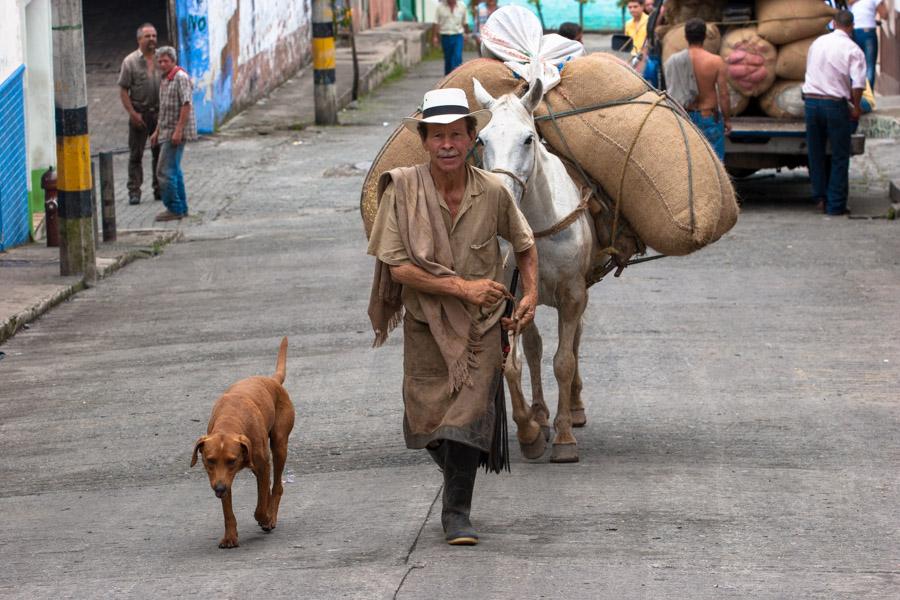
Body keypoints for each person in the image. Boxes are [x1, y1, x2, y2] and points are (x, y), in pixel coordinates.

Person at [367, 88, 538, 546]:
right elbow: (399, 268)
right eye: (437, 135)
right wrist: (462, 286)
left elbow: (524, 244)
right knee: (425, 422)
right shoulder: (402, 190)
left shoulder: (495, 191)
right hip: (426, 324)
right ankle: (460, 466)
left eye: (456, 135)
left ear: (471, 139)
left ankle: (456, 513)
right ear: (423, 140)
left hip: (483, 325)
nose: (447, 144)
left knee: (466, 415)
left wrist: (531, 295)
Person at [802, 9, 866, 216]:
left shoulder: (817, 43)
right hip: (834, 105)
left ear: (833, 23)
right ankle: (836, 204)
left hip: (811, 102)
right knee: (839, 155)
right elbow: (858, 85)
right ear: (851, 26)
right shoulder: (853, 49)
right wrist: (856, 108)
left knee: (816, 153)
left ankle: (820, 198)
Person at [665, 18, 731, 160]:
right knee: (715, 164)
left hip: (685, 118)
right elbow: (724, 95)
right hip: (709, 118)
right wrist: (727, 120)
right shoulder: (716, 61)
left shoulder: (674, 60)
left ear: (685, 37)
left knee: (689, 163)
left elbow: (670, 90)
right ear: (705, 36)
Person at [150, 46, 196, 222]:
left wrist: (178, 130)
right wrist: (157, 131)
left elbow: (186, 104)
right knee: (174, 170)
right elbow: (164, 110)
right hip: (166, 131)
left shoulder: (180, 78)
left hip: (175, 133)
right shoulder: (165, 79)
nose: (162, 64)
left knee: (164, 171)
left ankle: (174, 208)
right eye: (160, 61)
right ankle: (181, 207)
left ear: (173, 61)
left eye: (165, 61)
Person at [118, 23, 161, 206]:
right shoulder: (130, 62)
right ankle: (134, 191)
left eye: (153, 35)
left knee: (159, 153)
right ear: (139, 40)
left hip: (159, 114)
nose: (151, 39)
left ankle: (159, 188)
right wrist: (133, 113)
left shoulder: (162, 58)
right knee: (136, 155)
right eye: (147, 36)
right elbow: (123, 90)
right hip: (140, 114)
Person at [849, 0, 888, 87]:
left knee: (855, 65)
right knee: (869, 66)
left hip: (853, 32)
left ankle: (855, 95)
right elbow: (884, 14)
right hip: (868, 32)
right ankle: (867, 96)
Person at [433, 0, 469, 75]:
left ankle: (457, 77)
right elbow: (436, 23)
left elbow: (465, 23)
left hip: (458, 36)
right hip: (445, 36)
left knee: (457, 57)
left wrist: (466, 34)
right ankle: (448, 79)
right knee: (448, 59)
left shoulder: (462, 6)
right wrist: (435, 36)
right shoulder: (440, 7)